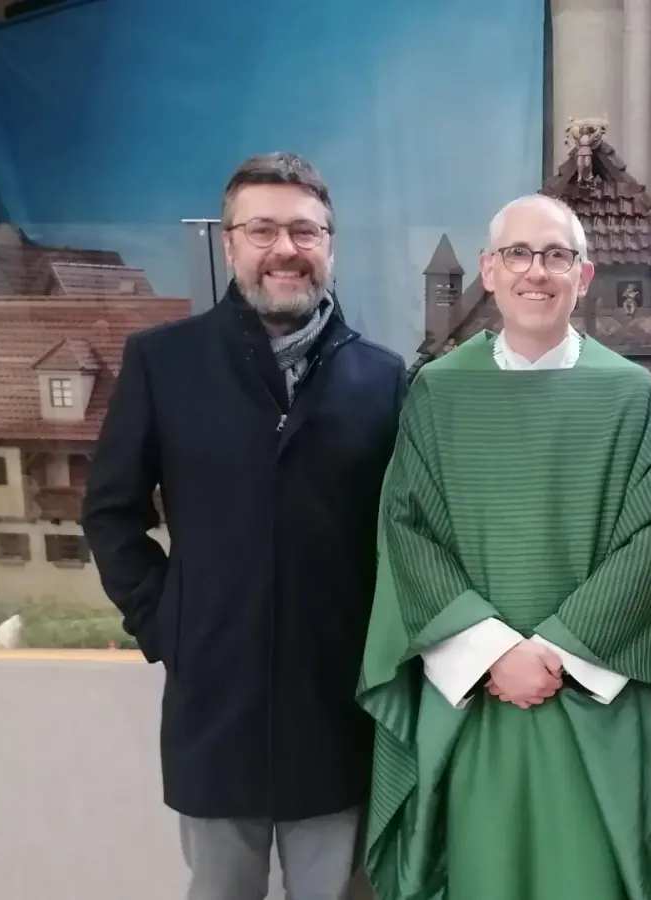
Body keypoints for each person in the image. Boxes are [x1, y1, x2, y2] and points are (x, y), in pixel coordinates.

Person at [355, 194, 651, 900]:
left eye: (557, 255)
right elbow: (406, 530)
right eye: (518, 254)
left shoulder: (629, 394)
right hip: (473, 701)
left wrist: (553, 652)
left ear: (583, 277)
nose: (537, 271)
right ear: (488, 271)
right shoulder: (438, 393)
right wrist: (493, 651)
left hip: (594, 696)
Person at [81, 151, 408, 900]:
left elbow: (404, 536)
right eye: (262, 230)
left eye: (305, 230)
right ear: (229, 244)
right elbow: (110, 512)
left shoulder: (383, 379)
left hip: (338, 706)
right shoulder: (164, 362)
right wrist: (168, 623)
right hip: (213, 703)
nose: (285, 249)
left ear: (331, 245)